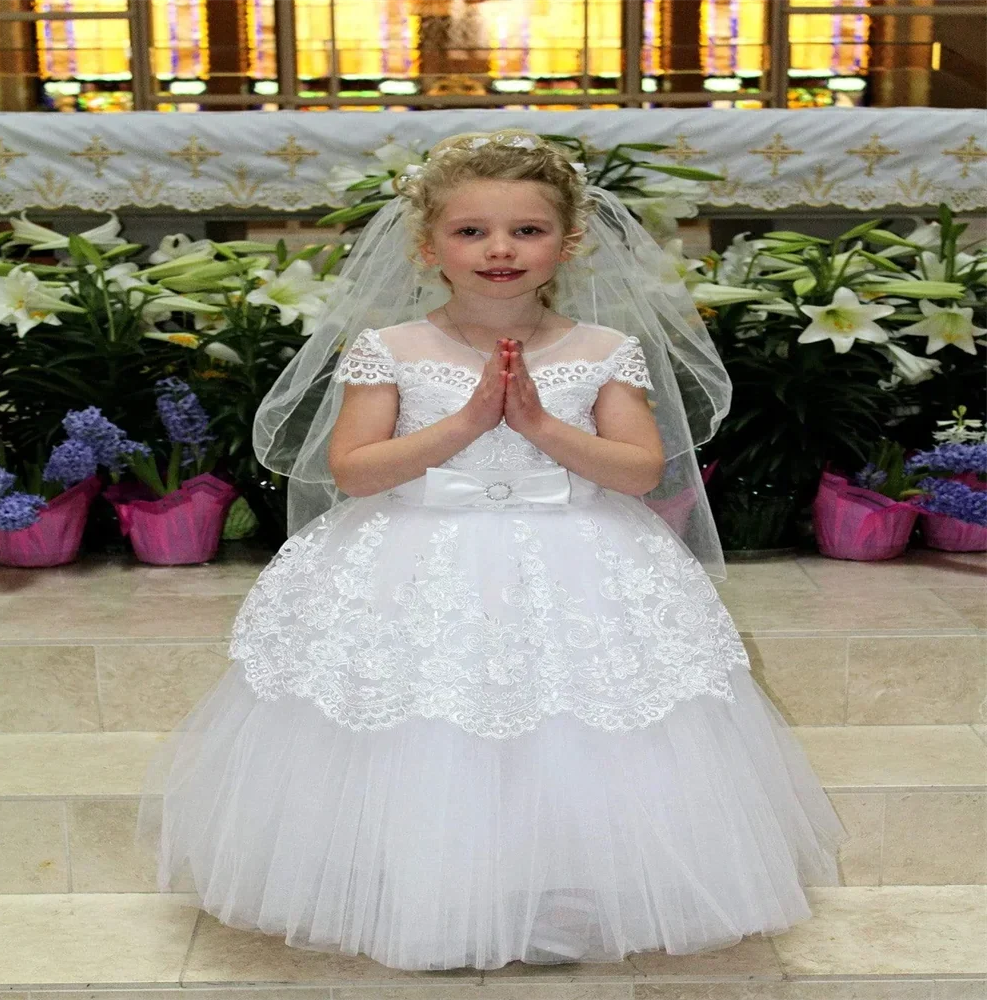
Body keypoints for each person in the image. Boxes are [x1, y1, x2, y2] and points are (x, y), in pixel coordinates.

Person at [135, 128, 848, 972]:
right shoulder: (389, 348)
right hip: (417, 562)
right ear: (427, 243)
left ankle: (566, 889)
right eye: (472, 231)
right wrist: (468, 422)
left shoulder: (601, 351)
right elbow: (356, 471)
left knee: (579, 733)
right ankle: (420, 888)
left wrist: (540, 425)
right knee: (424, 729)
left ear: (569, 241)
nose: (500, 250)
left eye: (527, 230)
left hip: (576, 563)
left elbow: (639, 471)